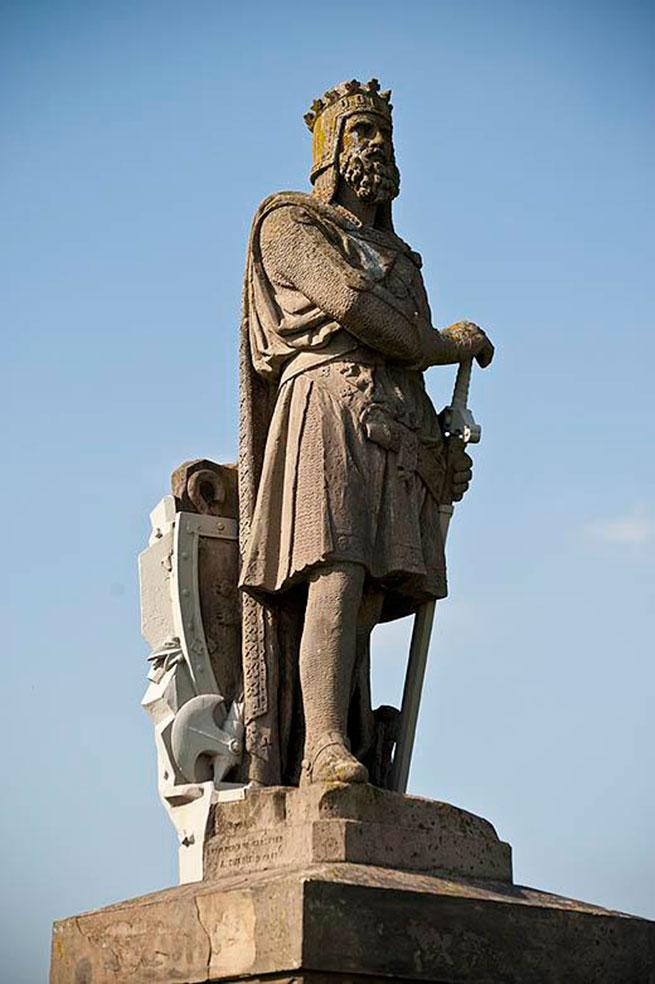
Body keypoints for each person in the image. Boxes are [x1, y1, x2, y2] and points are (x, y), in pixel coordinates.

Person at [237, 79, 494, 787]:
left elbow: (403, 360)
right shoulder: (290, 224)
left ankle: (344, 732)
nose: (376, 143)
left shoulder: (402, 257)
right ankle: (320, 743)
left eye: (383, 132)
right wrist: (446, 344)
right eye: (359, 131)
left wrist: (439, 456)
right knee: (336, 566)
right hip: (324, 402)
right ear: (329, 148)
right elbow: (356, 309)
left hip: (392, 417)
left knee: (376, 587)